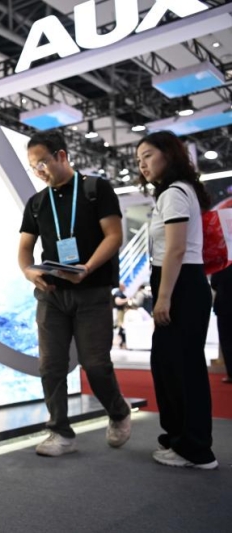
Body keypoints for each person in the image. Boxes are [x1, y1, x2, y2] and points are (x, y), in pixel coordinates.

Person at [18, 130, 131, 457]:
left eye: (42, 163)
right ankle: (60, 431)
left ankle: (118, 411)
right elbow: (25, 248)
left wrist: (87, 268)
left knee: (95, 364)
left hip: (92, 292)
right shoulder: (37, 203)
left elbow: (114, 236)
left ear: (62, 156)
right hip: (52, 294)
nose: (39, 171)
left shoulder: (96, 189)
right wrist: (29, 272)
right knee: (50, 365)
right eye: (32, 167)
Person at [136, 130, 217, 469]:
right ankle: (183, 441)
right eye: (138, 159)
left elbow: (177, 249)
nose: (142, 165)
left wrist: (164, 297)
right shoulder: (178, 192)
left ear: (168, 155)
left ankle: (195, 449)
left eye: (148, 156)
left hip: (181, 284)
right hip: (183, 283)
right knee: (174, 367)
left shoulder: (174, 193)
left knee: (182, 369)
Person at [210, 264, 232, 384]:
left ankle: (231, 373)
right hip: (224, 306)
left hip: (224, 306)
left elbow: (214, 283)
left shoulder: (222, 266)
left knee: (226, 340)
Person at [112, 282, 130, 349]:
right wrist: (126, 300)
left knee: (121, 328)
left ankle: (121, 342)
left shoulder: (120, 293)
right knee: (120, 327)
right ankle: (120, 342)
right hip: (119, 312)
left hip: (121, 311)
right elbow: (118, 302)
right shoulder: (118, 293)